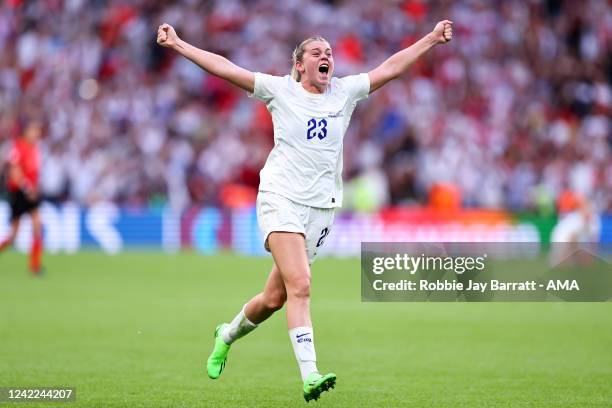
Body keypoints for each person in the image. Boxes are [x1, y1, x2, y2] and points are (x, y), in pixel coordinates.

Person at [157, 19, 453, 402]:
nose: (325, 56)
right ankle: (310, 374)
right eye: (316, 53)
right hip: (280, 198)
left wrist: (430, 38)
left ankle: (226, 335)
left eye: (328, 52)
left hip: (321, 210)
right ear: (299, 65)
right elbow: (226, 68)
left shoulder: (343, 94)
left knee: (274, 298)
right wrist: (180, 45)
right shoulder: (280, 91)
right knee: (302, 285)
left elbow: (390, 68)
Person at [0, 120, 44, 274]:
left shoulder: (35, 149)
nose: (37, 133)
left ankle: (35, 266)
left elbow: (35, 173)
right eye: (34, 130)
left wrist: (35, 189)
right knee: (13, 235)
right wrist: (27, 188)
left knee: (37, 223)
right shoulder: (17, 147)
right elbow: (14, 172)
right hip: (19, 193)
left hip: (30, 192)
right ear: (26, 131)